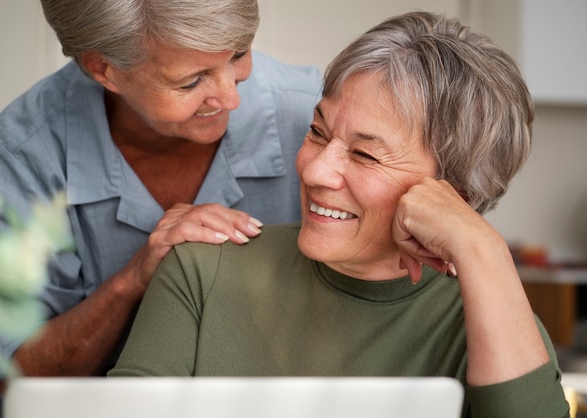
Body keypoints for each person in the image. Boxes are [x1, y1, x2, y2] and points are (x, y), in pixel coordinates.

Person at [109, 11, 570, 417]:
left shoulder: (495, 321)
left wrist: (482, 246)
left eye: (366, 156)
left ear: (454, 195)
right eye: (317, 131)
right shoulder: (200, 272)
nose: (315, 169)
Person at [0, 0, 321, 416]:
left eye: (239, 53)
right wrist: (134, 277)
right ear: (103, 69)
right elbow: (18, 380)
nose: (230, 97)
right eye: (192, 81)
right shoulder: (18, 158)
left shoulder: (311, 113)